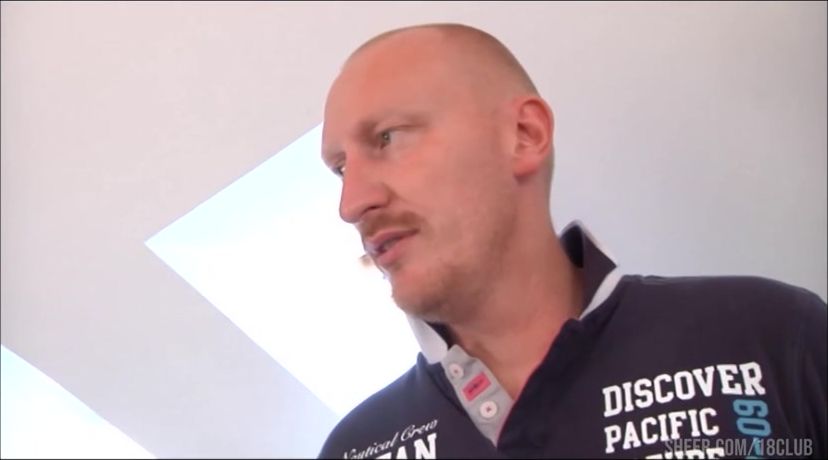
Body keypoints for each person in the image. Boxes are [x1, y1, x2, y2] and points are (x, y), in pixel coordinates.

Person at [317, 23, 827, 459]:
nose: (351, 204)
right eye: (340, 169)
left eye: (387, 138)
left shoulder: (770, 339)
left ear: (524, 135)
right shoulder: (356, 448)